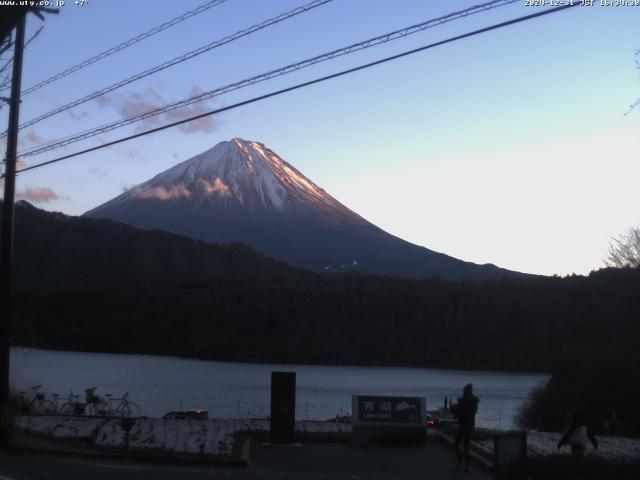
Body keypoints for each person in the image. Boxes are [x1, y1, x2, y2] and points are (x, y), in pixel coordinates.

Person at [451, 383, 479, 472]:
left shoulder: (463, 402)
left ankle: (461, 462)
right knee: (466, 445)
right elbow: (470, 413)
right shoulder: (473, 402)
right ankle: (466, 465)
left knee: (457, 443)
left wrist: (457, 413)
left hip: (464, 425)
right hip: (470, 425)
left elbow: (459, 412)